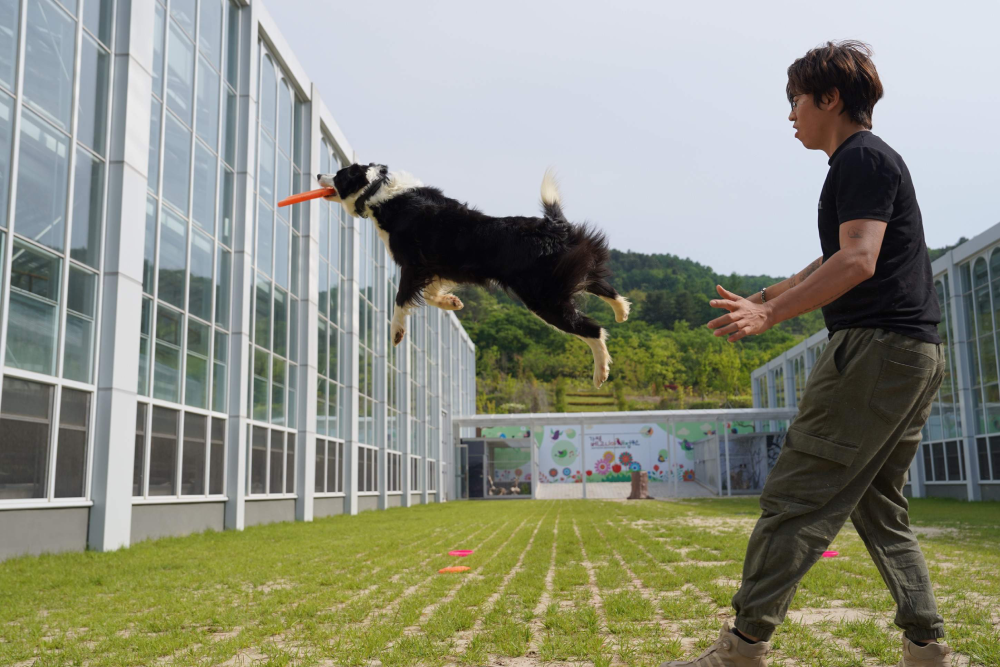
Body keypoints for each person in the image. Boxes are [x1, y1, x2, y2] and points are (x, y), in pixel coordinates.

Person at [664, 41, 952, 667]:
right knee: (879, 506)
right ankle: (927, 648)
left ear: (830, 98)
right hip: (910, 354)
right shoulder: (865, 163)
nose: (790, 114)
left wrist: (770, 316)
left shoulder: (862, 157)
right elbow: (834, 257)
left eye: (795, 99)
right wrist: (765, 296)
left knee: (796, 494)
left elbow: (858, 261)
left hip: (876, 351)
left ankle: (742, 648)